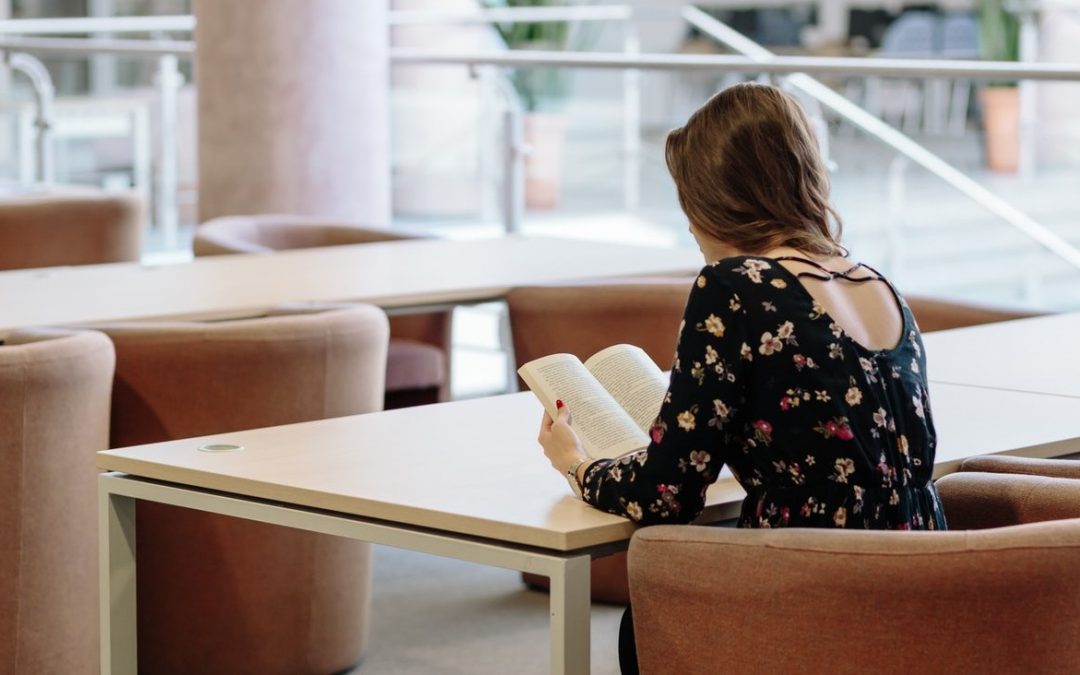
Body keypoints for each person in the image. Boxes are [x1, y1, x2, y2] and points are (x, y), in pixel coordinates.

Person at [537, 82, 947, 674]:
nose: (688, 228)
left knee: (646, 616)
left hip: (818, 586)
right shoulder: (877, 283)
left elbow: (666, 495)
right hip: (928, 582)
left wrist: (576, 464)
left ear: (717, 198)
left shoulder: (734, 285)